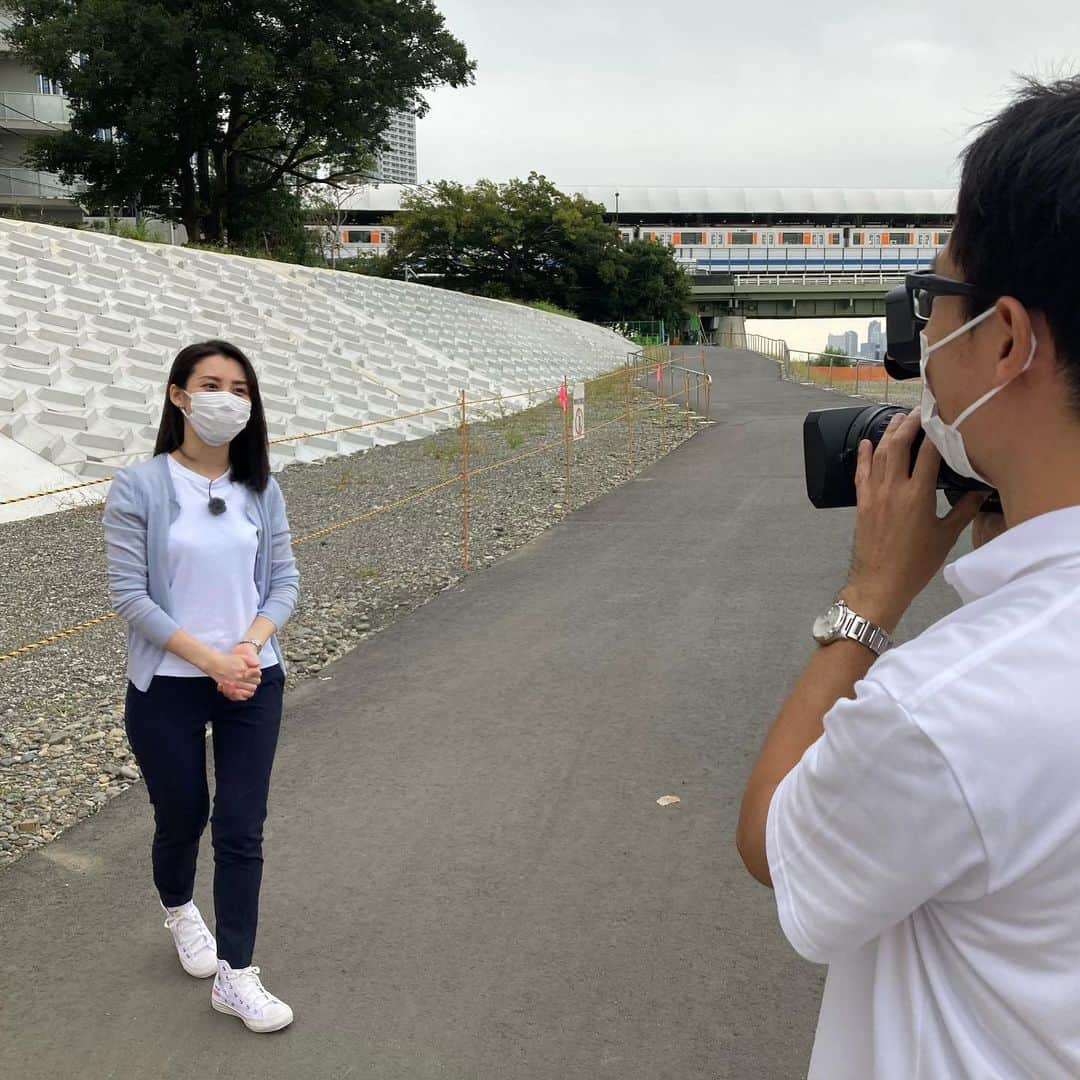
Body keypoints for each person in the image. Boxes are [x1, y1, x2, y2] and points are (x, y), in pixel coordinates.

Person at [736, 75, 1080, 1078]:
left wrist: (869, 601)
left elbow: (775, 841)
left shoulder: (947, 708)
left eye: (932, 301)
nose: (921, 341)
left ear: (1007, 337)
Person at [103, 340, 300, 1033]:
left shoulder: (261, 488)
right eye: (212, 384)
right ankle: (180, 910)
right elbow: (130, 595)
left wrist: (246, 649)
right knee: (182, 815)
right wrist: (210, 660)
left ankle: (237, 976)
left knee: (241, 828)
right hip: (169, 684)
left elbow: (283, 582)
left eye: (241, 388)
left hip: (253, 679)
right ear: (179, 397)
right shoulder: (140, 485)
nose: (228, 398)